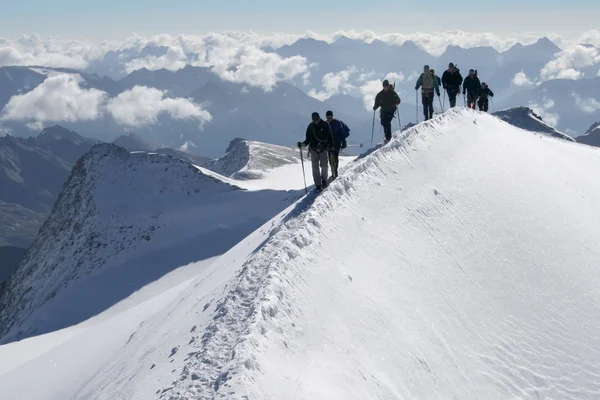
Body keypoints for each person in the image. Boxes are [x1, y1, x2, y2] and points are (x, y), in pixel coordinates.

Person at [298, 112, 334, 192]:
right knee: (315, 168)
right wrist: (302, 144)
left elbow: (330, 136)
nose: (315, 121)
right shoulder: (311, 127)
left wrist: (331, 145)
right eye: (314, 119)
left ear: (319, 118)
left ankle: (324, 179)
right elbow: (308, 139)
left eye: (316, 119)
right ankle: (318, 184)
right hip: (314, 149)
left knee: (324, 166)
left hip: (323, 148)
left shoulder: (325, 125)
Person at [325, 110, 350, 178]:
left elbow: (342, 133)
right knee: (330, 158)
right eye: (328, 117)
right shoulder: (325, 124)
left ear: (332, 116)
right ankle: (333, 171)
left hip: (337, 143)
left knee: (335, 157)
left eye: (330, 117)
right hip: (329, 144)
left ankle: (335, 171)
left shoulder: (337, 123)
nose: (329, 119)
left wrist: (343, 141)